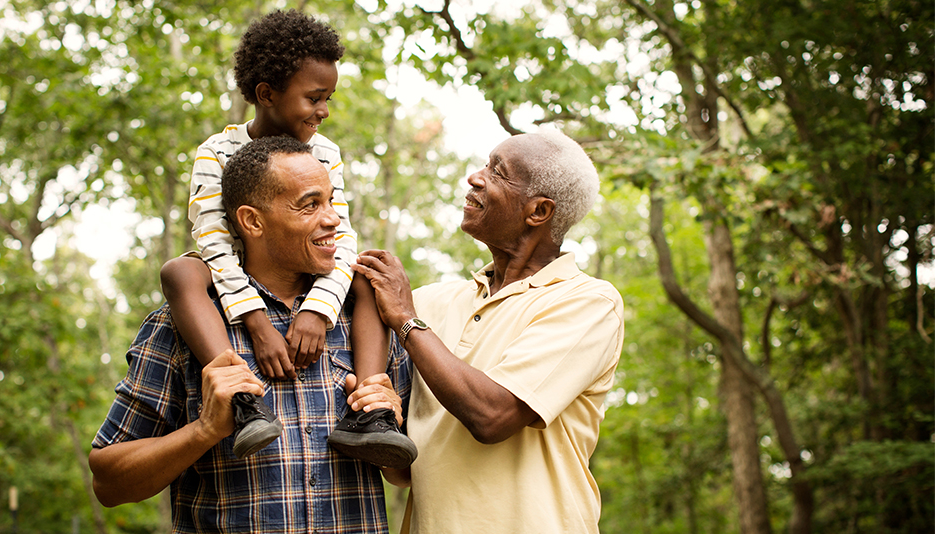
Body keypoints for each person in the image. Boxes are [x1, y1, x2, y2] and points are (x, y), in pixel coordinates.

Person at [89, 136, 412, 532]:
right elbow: (108, 482)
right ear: (252, 221)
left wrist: (390, 420)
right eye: (310, 205)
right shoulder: (183, 325)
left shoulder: (367, 321)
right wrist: (204, 430)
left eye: (331, 201)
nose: (333, 220)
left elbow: (408, 475)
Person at [159, 9, 414, 467]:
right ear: (266, 94)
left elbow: (341, 235)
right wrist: (255, 322)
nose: (324, 110)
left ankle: (371, 412)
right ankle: (241, 401)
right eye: (314, 97)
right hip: (236, 276)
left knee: (367, 272)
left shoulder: (325, 152)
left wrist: (318, 310)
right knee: (181, 270)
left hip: (310, 273)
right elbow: (214, 239)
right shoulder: (217, 152)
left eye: (328, 97)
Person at [353, 130, 625, 533]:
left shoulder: (589, 303)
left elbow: (492, 416)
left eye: (498, 172)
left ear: (538, 212)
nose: (475, 178)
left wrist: (406, 320)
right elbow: (405, 472)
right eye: (485, 164)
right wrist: (383, 415)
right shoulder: (433, 302)